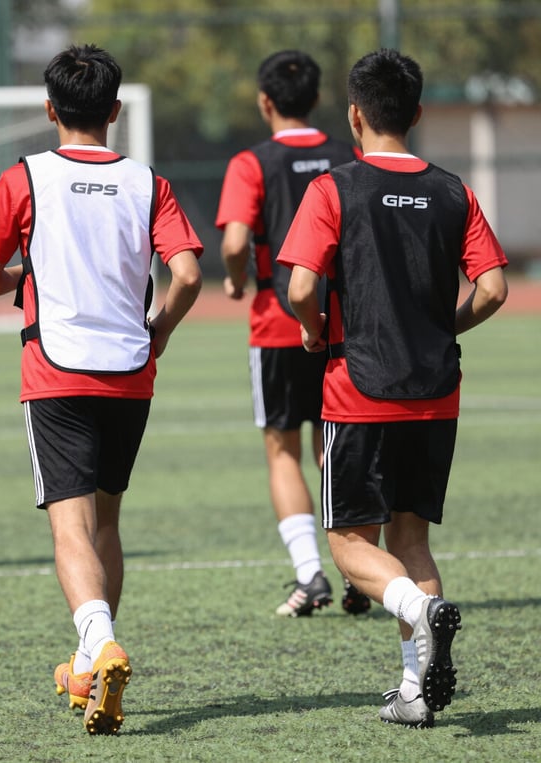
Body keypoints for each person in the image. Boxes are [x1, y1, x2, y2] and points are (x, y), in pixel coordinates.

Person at [0, 44, 203, 736]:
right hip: (131, 371)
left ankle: (99, 642)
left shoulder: (25, 177)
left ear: (49, 109)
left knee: (69, 525)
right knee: (106, 521)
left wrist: (28, 272)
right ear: (116, 111)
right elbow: (188, 273)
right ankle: (85, 658)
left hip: (57, 370)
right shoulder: (145, 181)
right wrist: (158, 330)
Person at [279, 49, 508, 727]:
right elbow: (493, 287)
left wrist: (314, 329)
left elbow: (298, 286)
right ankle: (413, 691)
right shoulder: (453, 190)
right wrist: (447, 325)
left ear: (354, 114)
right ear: (416, 113)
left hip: (360, 388)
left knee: (351, 546)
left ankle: (419, 610)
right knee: (412, 541)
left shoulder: (334, 187)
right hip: (436, 390)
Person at [216, 50, 369, 617]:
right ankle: (360, 568)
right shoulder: (346, 155)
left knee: (283, 450)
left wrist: (237, 283)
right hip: (340, 325)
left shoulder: (252, 162)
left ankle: (311, 576)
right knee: (336, 446)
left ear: (265, 101)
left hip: (279, 324)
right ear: (318, 99)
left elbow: (234, 244)